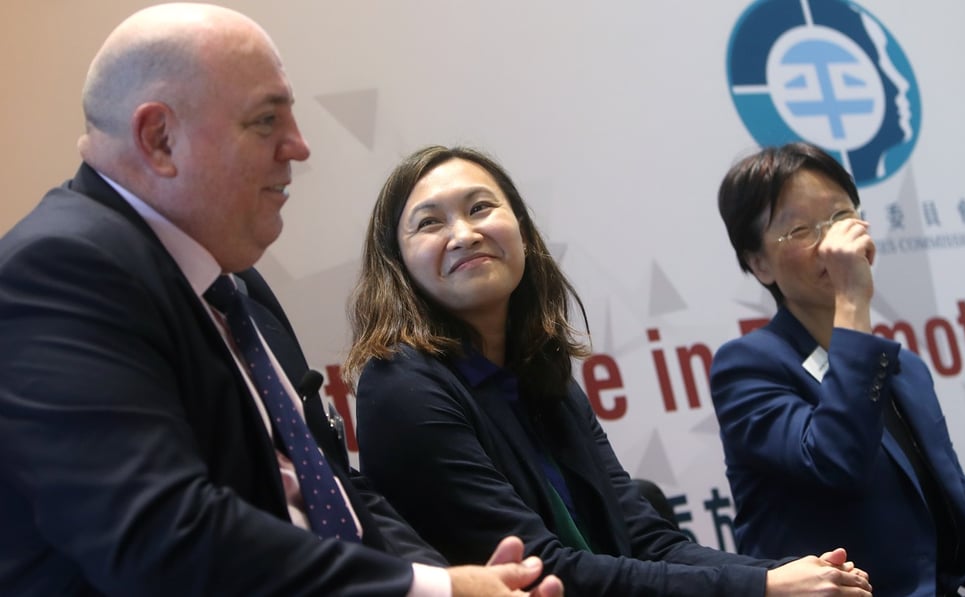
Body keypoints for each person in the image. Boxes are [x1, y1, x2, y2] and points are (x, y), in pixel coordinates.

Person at [0, 5, 563, 597]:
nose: (298, 147)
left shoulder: (234, 285)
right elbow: (165, 538)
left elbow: (333, 488)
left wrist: (448, 582)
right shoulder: (60, 271)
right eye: (267, 120)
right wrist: (437, 593)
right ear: (160, 140)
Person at [346, 144, 874, 596]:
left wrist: (791, 574)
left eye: (480, 207)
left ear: (522, 232)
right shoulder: (401, 386)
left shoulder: (541, 375)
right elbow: (541, 571)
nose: (463, 234)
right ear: (398, 263)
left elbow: (646, 539)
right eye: (429, 222)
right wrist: (762, 587)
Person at [711, 141, 965, 596]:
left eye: (841, 217)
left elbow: (964, 521)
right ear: (759, 263)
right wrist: (852, 297)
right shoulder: (748, 366)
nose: (832, 244)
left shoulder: (904, 369)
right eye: (801, 229)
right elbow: (837, 461)